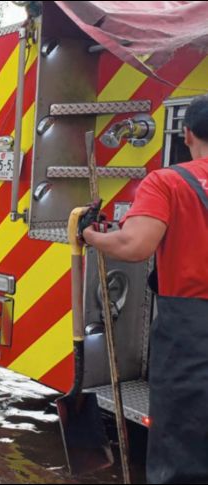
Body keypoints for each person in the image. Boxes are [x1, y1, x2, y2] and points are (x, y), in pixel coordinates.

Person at [81, 95, 208, 484]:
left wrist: (90, 234)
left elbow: (133, 246)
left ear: (186, 134)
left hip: (192, 333)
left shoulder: (169, 181)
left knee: (183, 451)